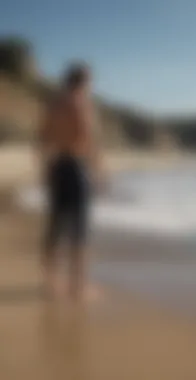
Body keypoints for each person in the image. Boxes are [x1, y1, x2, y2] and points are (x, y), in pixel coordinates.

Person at [37, 62, 102, 300]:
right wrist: (97, 171)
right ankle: (79, 287)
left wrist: (45, 169)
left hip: (57, 165)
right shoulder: (81, 103)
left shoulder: (54, 105)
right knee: (80, 229)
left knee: (54, 226)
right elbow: (87, 138)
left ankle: (49, 282)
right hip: (76, 166)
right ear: (84, 81)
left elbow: (42, 138)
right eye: (91, 82)